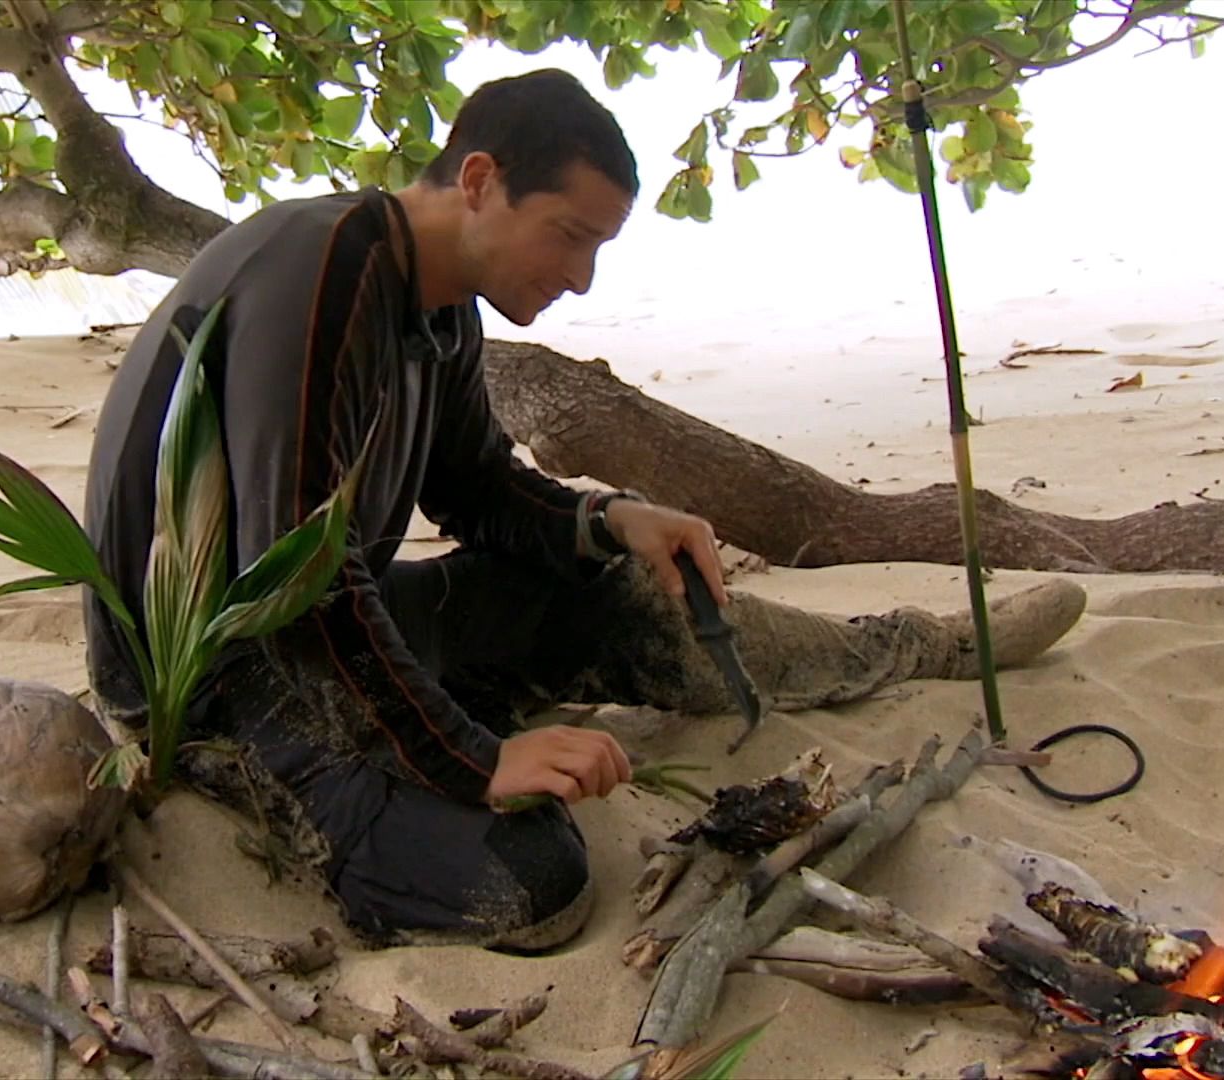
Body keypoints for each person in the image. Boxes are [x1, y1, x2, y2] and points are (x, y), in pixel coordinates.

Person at [84, 68, 1086, 951]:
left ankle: (911, 645)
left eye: (597, 248)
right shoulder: (324, 267)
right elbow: (293, 578)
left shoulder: (436, 307)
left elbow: (474, 488)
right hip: (218, 682)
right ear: (479, 181)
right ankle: (427, 750)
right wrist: (472, 758)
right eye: (568, 236)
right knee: (535, 882)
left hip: (336, 627)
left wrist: (610, 520)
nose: (578, 277)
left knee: (611, 585)